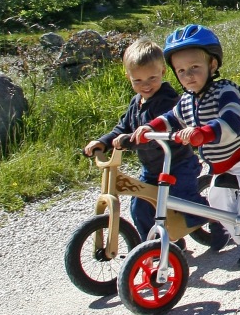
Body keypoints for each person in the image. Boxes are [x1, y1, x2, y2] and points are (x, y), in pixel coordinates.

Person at [132, 24, 240, 266]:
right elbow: (171, 118)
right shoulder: (186, 101)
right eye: (181, 70)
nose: (188, 75)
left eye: (195, 67)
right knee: (218, 207)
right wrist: (150, 128)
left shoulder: (224, 90)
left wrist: (203, 133)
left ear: (212, 65)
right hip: (221, 165)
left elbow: (232, 120)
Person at [83, 39, 227, 250]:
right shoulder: (136, 103)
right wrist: (103, 143)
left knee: (183, 201)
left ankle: (218, 219)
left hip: (178, 164)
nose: (146, 85)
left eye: (152, 77)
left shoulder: (167, 101)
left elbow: (158, 133)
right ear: (128, 78)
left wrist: (130, 142)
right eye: (138, 80)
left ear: (163, 72)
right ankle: (156, 247)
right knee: (140, 207)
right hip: (151, 170)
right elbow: (121, 128)